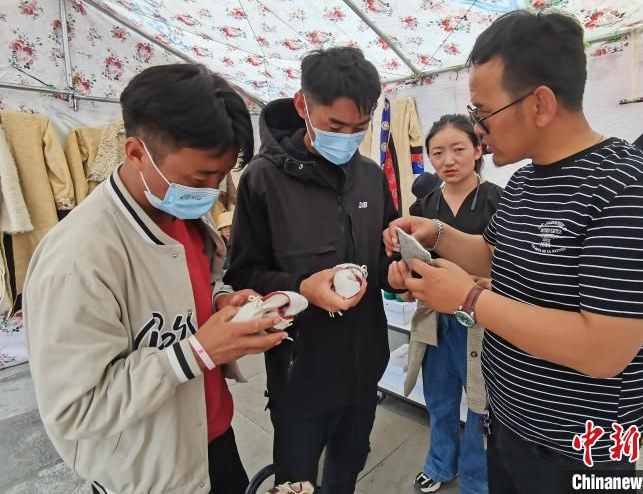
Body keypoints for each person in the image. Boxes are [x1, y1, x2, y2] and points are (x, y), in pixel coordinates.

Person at [384, 11, 643, 494]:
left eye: (481, 111)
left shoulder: (637, 190)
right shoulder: (525, 181)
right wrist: (436, 234)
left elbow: (603, 350)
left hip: (577, 448)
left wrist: (468, 299)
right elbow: (494, 255)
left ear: (540, 104)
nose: (477, 128)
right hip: (507, 419)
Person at [23, 64, 289, 494]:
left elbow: (198, 285)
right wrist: (197, 351)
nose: (210, 192)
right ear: (135, 152)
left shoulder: (179, 211)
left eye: (220, 178)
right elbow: (75, 410)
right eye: (199, 179)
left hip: (213, 436)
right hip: (150, 470)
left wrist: (222, 300)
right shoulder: (77, 261)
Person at [225, 47, 399, 493]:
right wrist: (302, 288)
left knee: (347, 467)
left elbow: (384, 254)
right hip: (300, 374)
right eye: (336, 126)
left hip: (364, 366)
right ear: (303, 105)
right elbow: (243, 275)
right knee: (297, 480)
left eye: (359, 128)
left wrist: (396, 273)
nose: (347, 138)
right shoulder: (262, 179)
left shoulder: (370, 176)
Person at [407, 116, 501, 494]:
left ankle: (477, 481)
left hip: (483, 320)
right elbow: (414, 260)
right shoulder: (424, 205)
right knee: (439, 399)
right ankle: (440, 464)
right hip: (436, 319)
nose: (448, 160)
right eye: (437, 153)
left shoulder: (499, 200)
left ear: (477, 150)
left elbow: (504, 265)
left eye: (458, 149)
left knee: (481, 406)